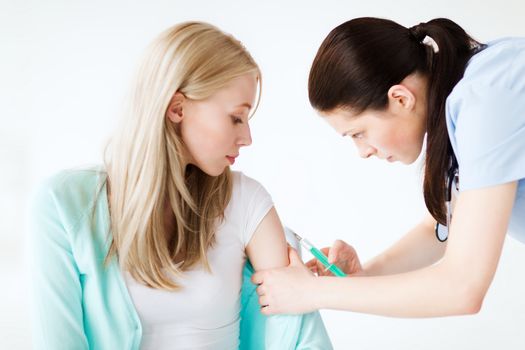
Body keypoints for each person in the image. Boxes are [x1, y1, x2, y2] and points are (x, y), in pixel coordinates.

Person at [28, 22, 332, 349]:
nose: (247, 138)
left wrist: (324, 290)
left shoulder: (246, 201)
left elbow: (302, 335)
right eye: (235, 118)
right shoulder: (63, 205)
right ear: (177, 108)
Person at [252, 17, 525, 318]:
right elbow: (439, 228)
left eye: (358, 133)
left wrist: (310, 293)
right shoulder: (461, 103)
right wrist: (364, 275)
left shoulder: (486, 98)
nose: (363, 152)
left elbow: (462, 288)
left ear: (400, 98)